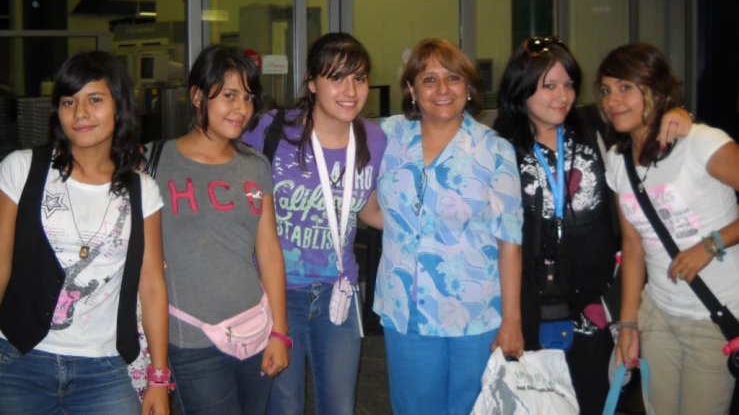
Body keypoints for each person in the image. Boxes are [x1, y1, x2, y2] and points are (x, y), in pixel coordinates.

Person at [493, 36, 691, 414]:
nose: (562, 96)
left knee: (595, 398)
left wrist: (677, 112)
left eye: (568, 84)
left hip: (595, 301)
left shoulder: (590, 125)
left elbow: (639, 111)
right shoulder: (500, 142)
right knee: (537, 402)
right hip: (529, 300)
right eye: (548, 85)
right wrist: (509, 319)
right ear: (521, 90)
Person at [0, 51, 169, 415]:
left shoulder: (142, 190)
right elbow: (0, 263)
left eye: (95, 99)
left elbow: (152, 284)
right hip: (19, 359)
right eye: (68, 102)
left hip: (104, 367)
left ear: (119, 107)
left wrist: (158, 377)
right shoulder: (22, 169)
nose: (80, 113)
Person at [373, 38, 523, 415]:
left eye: (453, 77)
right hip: (405, 309)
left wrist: (512, 321)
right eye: (428, 79)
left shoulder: (495, 150)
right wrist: (407, 231)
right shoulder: (385, 138)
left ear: (469, 87)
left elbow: (510, 241)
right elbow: (364, 205)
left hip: (476, 314)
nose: (442, 89)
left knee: (472, 408)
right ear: (411, 89)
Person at [243, 33, 386, 415]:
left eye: (358, 78)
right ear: (311, 82)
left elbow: (367, 208)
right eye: (336, 77)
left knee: (339, 407)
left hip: (338, 292)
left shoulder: (373, 138)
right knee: (283, 406)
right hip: (275, 291)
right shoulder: (273, 128)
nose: (350, 90)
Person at [147, 45, 289, 414]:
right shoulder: (153, 162)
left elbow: (269, 250)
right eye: (228, 95)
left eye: (247, 97)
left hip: (256, 329)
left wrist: (279, 332)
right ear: (197, 96)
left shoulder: (255, 165)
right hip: (191, 339)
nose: (241, 108)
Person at [599, 43, 739, 415]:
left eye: (626, 87)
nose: (613, 100)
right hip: (658, 314)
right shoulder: (617, 162)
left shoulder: (701, 143)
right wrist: (628, 323)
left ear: (657, 91)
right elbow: (632, 246)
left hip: (713, 318)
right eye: (606, 89)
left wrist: (711, 244)